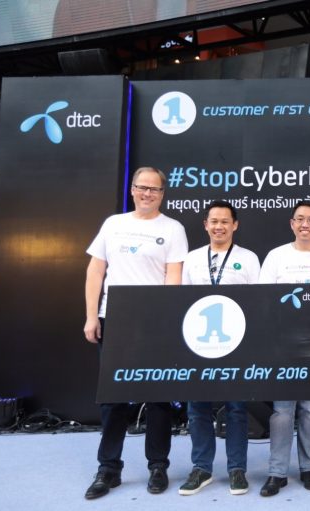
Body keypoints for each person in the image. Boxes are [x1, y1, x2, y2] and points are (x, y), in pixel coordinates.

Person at [83, 166, 188, 499]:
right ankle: (108, 468)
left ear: (162, 194)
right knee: (113, 398)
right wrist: (91, 317)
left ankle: (158, 465)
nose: (147, 194)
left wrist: (167, 321)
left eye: (154, 189)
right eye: (142, 187)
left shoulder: (173, 228)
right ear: (132, 189)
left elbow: (174, 277)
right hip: (114, 319)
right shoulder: (113, 224)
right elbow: (95, 272)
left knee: (158, 397)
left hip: (154, 323)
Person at [178, 200, 260, 497]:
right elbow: (181, 301)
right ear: (205, 225)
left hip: (236, 342)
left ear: (234, 225)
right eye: (214, 221)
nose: (219, 226)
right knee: (197, 407)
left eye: (225, 221)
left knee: (236, 408)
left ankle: (237, 469)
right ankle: (201, 468)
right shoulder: (191, 259)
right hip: (198, 342)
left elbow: (258, 301)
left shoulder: (248, 258)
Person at [257, 200, 310, 496]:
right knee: (282, 409)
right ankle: (277, 472)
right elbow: (264, 298)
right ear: (292, 223)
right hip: (283, 339)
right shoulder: (276, 256)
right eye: (300, 219)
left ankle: (308, 467)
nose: (305, 224)